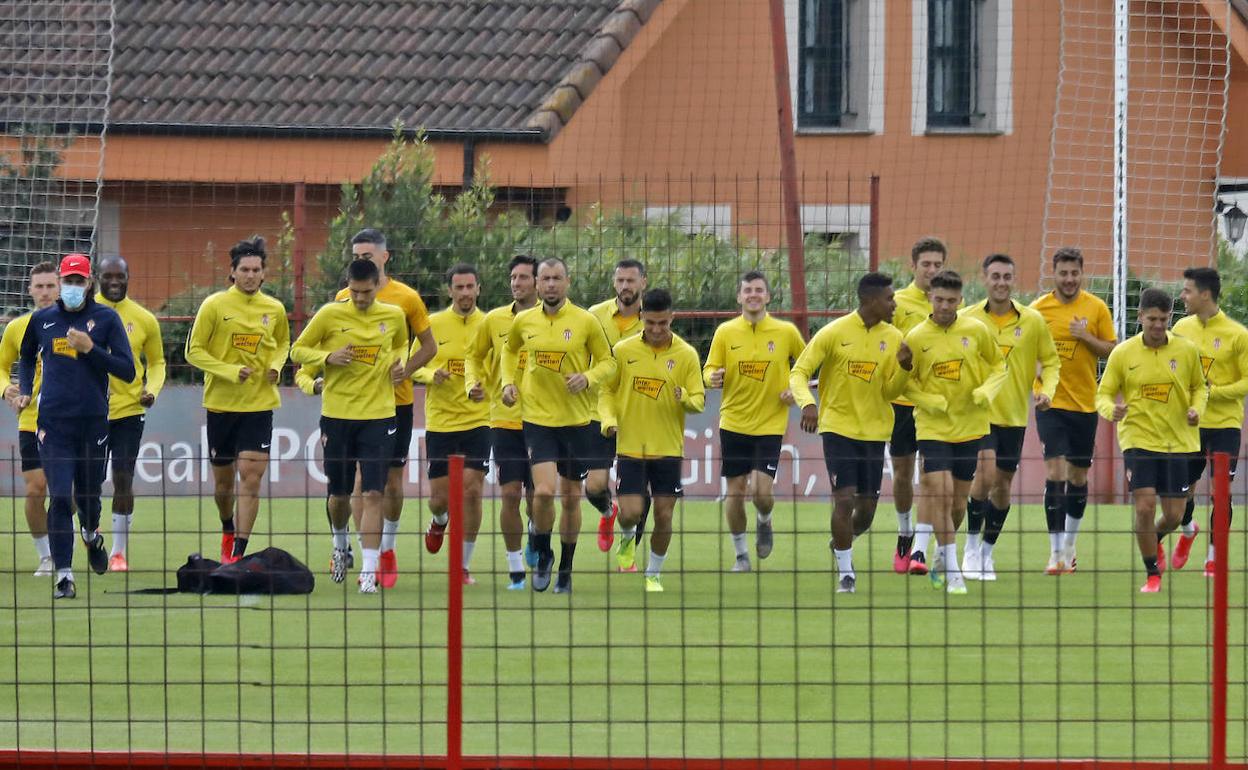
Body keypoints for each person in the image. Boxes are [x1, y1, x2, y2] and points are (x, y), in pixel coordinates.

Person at [17, 254, 135, 599]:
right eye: (66, 281)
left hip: (93, 421)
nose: (71, 288)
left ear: (89, 284)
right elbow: (25, 356)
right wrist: (25, 390)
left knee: (89, 498)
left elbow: (127, 370)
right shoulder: (42, 320)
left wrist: (91, 349)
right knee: (58, 496)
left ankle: (91, 534)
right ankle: (64, 576)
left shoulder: (106, 319)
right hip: (53, 423)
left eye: (77, 281)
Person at [790, 272, 913, 593]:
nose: (894, 304)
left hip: (874, 434)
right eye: (889, 298)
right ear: (870, 301)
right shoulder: (834, 333)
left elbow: (890, 392)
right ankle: (846, 572)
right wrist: (807, 404)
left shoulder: (895, 338)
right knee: (843, 502)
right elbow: (799, 373)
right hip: (837, 429)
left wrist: (904, 369)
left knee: (866, 514)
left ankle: (840, 542)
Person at [292, 258, 408, 593]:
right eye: (355, 292)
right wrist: (327, 358)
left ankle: (369, 572)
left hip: (380, 416)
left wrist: (397, 363)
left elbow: (401, 343)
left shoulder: (393, 316)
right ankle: (340, 544)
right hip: (338, 416)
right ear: (348, 287)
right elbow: (297, 349)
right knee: (339, 496)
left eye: (366, 292)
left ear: (377, 287)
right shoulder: (330, 314)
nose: (360, 298)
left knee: (374, 492)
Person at [500, 257, 615, 593]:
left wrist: (588, 377)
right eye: (545, 279)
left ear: (568, 282)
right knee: (544, 492)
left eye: (556, 278)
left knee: (571, 499)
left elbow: (609, 363)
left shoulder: (586, 321)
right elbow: (509, 352)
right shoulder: (524, 321)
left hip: (578, 422)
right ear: (537, 284)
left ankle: (566, 567)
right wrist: (509, 383)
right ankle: (544, 549)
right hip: (538, 419)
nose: (550, 284)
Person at [336, 229, 436, 587]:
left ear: (384, 257)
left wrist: (405, 371)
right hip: (359, 405)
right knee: (363, 482)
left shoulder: (406, 298)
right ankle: (369, 560)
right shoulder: (343, 297)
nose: (362, 260)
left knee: (393, 483)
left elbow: (429, 346)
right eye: (356, 255)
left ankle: (387, 548)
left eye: (367, 255)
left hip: (397, 403)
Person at [185, 236, 290, 564]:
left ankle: (239, 551)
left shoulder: (274, 309)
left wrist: (275, 366)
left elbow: (283, 343)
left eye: (256, 269)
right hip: (221, 405)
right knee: (223, 485)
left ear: (264, 274)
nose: (250, 274)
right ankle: (227, 526)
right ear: (232, 272)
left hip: (259, 406)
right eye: (244, 269)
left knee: (251, 475)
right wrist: (229, 371)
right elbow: (194, 351)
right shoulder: (214, 305)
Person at [901, 270, 1006, 595]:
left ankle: (940, 554)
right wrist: (926, 399)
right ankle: (954, 572)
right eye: (939, 299)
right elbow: (905, 382)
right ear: (930, 298)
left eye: (951, 300)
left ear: (960, 300)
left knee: (958, 504)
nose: (945, 305)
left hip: (970, 427)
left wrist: (988, 391)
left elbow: (1000, 366)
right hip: (932, 428)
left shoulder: (976, 330)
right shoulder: (916, 337)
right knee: (942, 493)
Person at [1095, 288, 1205, 593]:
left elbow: (1200, 388)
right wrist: (1111, 410)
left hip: (1178, 442)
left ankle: (1153, 539)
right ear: (1140, 316)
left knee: (1173, 516)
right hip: (1137, 439)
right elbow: (1103, 394)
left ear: (1170, 317)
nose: (1157, 325)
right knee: (1144, 507)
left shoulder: (1185, 351)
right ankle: (1152, 574)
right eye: (1151, 319)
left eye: (1163, 319)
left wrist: (1197, 408)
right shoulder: (1123, 353)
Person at [960, 254, 1060, 580]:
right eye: (995, 276)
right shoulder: (967, 318)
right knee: (985, 474)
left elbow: (1051, 362)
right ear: (984, 279)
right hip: (978, 414)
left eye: (1007, 277)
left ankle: (987, 553)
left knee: (1002, 486)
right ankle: (970, 549)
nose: (1001, 282)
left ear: (1013, 280)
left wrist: (1047, 390)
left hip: (1014, 417)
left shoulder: (1032, 321)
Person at [599, 288, 704, 592]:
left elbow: (698, 400)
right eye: (651, 323)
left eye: (663, 323)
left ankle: (653, 574)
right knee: (630, 512)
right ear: (642, 317)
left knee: (663, 514)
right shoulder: (623, 351)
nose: (657, 330)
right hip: (631, 445)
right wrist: (608, 420)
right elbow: (606, 391)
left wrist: (683, 396)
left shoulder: (686, 355)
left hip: (668, 449)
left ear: (672, 318)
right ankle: (628, 538)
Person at [703, 270, 805, 571]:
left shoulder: (786, 332)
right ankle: (740, 555)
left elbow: (807, 366)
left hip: (771, 425)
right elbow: (708, 370)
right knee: (734, 492)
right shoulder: (725, 332)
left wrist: (794, 390)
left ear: (768, 296)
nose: (753, 295)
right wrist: (713, 377)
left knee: (761, 492)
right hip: (733, 423)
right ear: (739, 297)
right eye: (747, 290)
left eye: (759, 290)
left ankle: (764, 520)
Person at [1031, 247, 1116, 574]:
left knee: (1078, 477)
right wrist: (1035, 369)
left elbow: (1111, 348)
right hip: (1050, 403)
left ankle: (1069, 545)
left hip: (1085, 404)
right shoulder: (1038, 310)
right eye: (1063, 273)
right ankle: (1055, 554)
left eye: (1074, 273)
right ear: (1054, 274)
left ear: (1082, 273)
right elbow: (1026, 350)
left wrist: (1085, 337)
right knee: (1055, 474)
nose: (1069, 279)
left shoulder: (1095, 308)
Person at [412, 264, 490, 585]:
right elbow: (412, 367)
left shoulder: (490, 324)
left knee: (472, 492)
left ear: (478, 289)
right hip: (442, 423)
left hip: (480, 419)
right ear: (450, 291)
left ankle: (463, 565)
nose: (465, 293)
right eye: (459, 287)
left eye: (470, 287)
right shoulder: (433, 324)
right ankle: (439, 519)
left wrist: (490, 388)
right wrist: (432, 375)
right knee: (439, 498)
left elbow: (504, 366)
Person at [465, 254, 538, 590]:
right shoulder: (494, 320)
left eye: (523, 277)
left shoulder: (556, 321)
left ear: (538, 282)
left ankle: (537, 537)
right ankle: (515, 569)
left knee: (541, 499)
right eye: (513, 277)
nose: (516, 283)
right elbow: (474, 355)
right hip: (505, 421)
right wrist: (473, 382)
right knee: (510, 494)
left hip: (546, 421)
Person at [1172, 267, 1248, 576]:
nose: (1182, 296)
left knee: (1221, 491)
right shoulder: (1180, 328)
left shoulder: (1237, 334)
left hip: (1225, 425)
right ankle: (1188, 529)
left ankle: (1215, 556)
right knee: (1180, 493)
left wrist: (1211, 393)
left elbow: (1246, 382)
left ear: (1205, 294)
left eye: (1187, 290)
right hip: (1190, 423)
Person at [95, 254, 165, 572]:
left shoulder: (144, 318)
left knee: (123, 478)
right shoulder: (82, 314)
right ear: (97, 277)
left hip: (129, 410)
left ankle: (119, 552)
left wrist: (152, 389)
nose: (113, 281)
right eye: (107, 276)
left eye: (119, 276)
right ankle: (88, 532)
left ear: (128, 277)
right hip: (88, 411)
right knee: (83, 483)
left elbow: (158, 362)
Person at [888, 237, 949, 572]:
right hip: (900, 401)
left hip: (935, 404)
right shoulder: (897, 303)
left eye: (937, 264)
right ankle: (904, 531)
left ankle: (925, 547)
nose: (932, 270)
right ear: (913, 266)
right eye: (926, 264)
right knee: (901, 474)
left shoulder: (951, 303)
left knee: (931, 474)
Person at [0, 262, 59, 576]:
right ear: (30, 290)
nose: (45, 292)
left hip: (70, 419)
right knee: (36, 489)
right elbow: (0, 366)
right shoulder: (16, 328)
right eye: (40, 286)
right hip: (31, 420)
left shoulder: (74, 325)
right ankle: (46, 556)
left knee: (72, 493)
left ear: (59, 288)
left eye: (51, 286)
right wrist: (6, 387)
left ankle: (87, 529)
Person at [586, 259, 646, 552]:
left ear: (643, 283)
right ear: (614, 283)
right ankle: (608, 513)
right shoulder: (594, 317)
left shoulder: (654, 322)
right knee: (594, 487)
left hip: (640, 417)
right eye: (620, 280)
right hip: (599, 412)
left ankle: (628, 552)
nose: (625, 286)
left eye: (631, 280)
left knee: (638, 495)